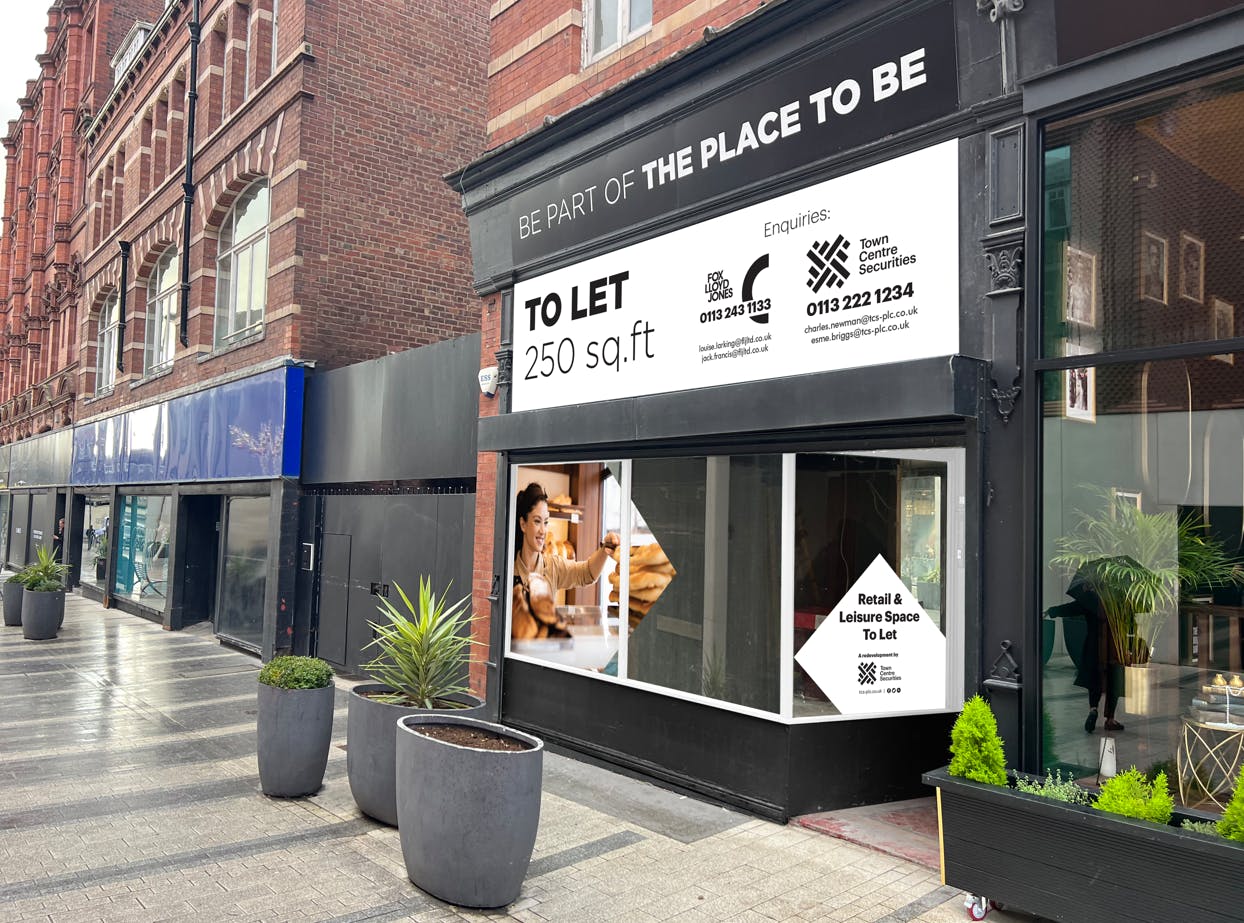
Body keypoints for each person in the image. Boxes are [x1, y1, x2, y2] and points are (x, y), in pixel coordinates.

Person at [511, 482, 619, 640]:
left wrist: (605, 549)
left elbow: (587, 573)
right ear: (523, 524)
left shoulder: (553, 566)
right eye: (537, 521)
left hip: (544, 650)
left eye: (546, 522)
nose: (543, 530)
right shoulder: (507, 568)